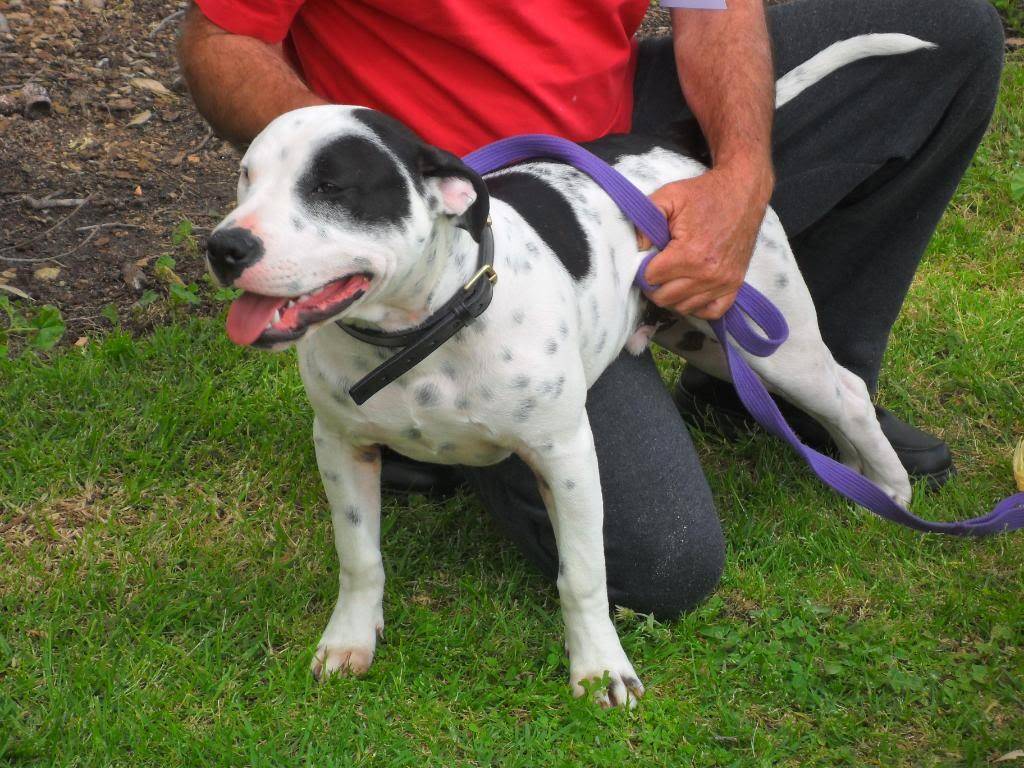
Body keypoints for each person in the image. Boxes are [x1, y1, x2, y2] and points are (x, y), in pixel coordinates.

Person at [177, 0, 1005, 619]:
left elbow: (715, 10)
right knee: (665, 564)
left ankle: (775, 382)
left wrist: (743, 176)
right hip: (430, 191)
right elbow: (223, 36)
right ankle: (428, 425)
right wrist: (359, 172)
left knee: (948, 28)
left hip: (605, 142)